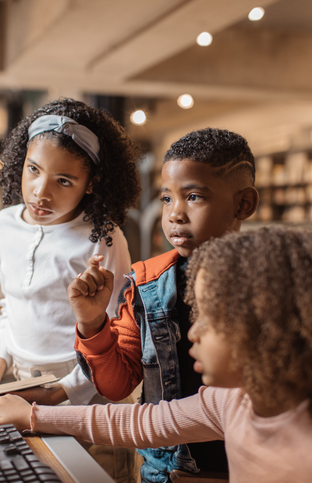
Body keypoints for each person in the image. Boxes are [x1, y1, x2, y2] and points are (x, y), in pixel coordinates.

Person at [0, 227, 312, 482]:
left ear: (271, 331)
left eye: (210, 318)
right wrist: (33, 416)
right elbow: (138, 422)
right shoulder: (233, 401)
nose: (192, 333)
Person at [0, 98, 141, 481]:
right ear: (19, 163)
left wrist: (63, 392)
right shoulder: (1, 226)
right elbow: (13, 305)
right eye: (33, 170)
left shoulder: (103, 239)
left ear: (91, 183)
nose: (41, 192)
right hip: (21, 380)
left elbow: (116, 333)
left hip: (85, 390)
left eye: (64, 180)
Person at [67, 128, 259, 482]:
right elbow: (116, 386)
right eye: (167, 199)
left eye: (195, 197)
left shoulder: (274, 287)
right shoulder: (148, 282)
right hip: (165, 473)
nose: (175, 214)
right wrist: (93, 323)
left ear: (243, 204)